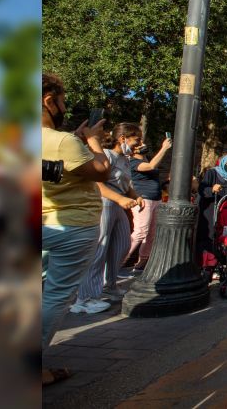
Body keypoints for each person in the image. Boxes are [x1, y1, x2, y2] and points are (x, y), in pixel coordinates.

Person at [41, 74, 110, 382]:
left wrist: (75, 138)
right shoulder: (65, 142)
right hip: (74, 226)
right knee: (55, 297)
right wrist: (94, 141)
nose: (64, 106)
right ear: (48, 101)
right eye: (62, 100)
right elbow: (101, 171)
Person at [72, 123, 146, 313]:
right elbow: (98, 185)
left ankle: (109, 285)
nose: (139, 143)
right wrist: (120, 199)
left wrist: (135, 196)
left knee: (122, 245)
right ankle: (85, 298)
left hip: (118, 204)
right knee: (100, 248)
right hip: (105, 203)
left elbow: (126, 183)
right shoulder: (107, 155)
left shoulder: (125, 159)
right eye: (136, 139)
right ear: (123, 139)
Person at [124, 136, 172, 275]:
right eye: (140, 144)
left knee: (151, 233)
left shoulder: (144, 159)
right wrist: (164, 148)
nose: (143, 144)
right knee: (141, 231)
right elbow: (151, 166)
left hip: (155, 199)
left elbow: (151, 164)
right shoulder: (132, 162)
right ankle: (120, 259)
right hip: (143, 199)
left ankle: (143, 262)